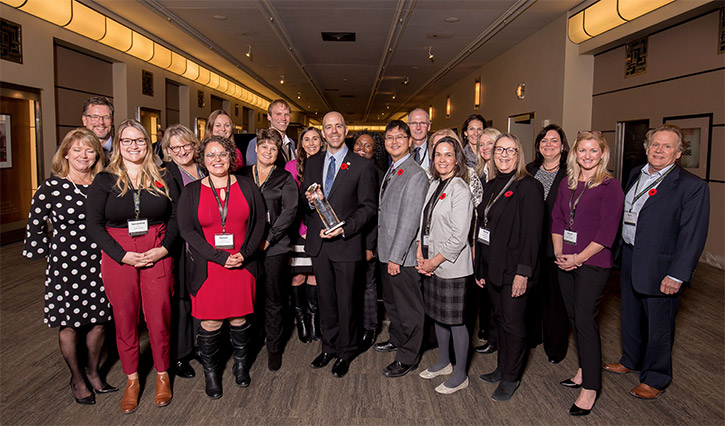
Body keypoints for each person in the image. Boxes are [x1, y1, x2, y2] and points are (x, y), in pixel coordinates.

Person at [603, 124, 710, 400]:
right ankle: (630, 359)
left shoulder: (692, 186)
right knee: (631, 314)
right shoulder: (635, 173)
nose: (659, 150)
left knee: (659, 325)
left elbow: (692, 235)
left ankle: (656, 377)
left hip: (662, 266)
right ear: (646, 148)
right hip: (630, 255)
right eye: (655, 145)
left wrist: (677, 275)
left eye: (667, 146)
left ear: (678, 153)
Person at [86, 119, 179, 413]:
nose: (133, 146)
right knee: (125, 319)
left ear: (147, 143)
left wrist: (163, 249)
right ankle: (132, 379)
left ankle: (163, 375)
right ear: (118, 145)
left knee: (159, 317)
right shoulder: (104, 180)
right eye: (126, 141)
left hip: (157, 251)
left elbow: (178, 217)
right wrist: (122, 255)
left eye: (139, 140)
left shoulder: (164, 175)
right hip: (119, 255)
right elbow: (94, 225)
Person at [23, 128, 115, 405]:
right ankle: (77, 378)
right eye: (77, 150)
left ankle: (94, 372)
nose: (83, 155)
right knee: (70, 324)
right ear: (65, 153)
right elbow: (35, 224)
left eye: (89, 150)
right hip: (66, 262)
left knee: (99, 322)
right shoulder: (51, 187)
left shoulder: (104, 183)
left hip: (100, 257)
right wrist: (46, 252)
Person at [177, 135, 265, 399]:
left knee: (240, 318)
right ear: (202, 160)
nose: (217, 160)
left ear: (231, 157)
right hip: (208, 268)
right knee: (211, 321)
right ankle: (211, 372)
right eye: (211, 155)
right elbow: (187, 230)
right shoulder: (191, 191)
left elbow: (260, 223)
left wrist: (244, 254)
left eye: (222, 154)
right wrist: (218, 257)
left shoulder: (248, 186)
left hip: (242, 264)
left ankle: (240, 365)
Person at [551, 131, 624, 416]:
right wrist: (559, 252)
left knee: (585, 320)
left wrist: (578, 258)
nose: (588, 155)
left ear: (602, 154)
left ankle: (591, 387)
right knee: (574, 318)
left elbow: (607, 232)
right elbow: (558, 218)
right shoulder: (567, 183)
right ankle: (583, 369)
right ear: (575, 154)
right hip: (564, 260)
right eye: (583, 150)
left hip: (592, 263)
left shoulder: (610, 186)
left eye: (594, 151)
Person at [303, 111, 377, 378]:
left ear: (346, 130)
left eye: (338, 127)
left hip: (346, 243)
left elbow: (369, 207)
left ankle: (346, 351)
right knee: (326, 300)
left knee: (347, 300)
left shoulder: (362, 165)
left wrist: (345, 227)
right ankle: (329, 346)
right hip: (319, 244)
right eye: (328, 127)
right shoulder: (313, 162)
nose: (333, 131)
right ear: (322, 133)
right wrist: (310, 200)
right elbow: (304, 198)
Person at [474, 133, 544, 402]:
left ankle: (511, 377)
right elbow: (483, 229)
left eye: (510, 150)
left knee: (513, 324)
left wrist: (522, 273)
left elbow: (532, 236)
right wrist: (480, 267)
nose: (504, 155)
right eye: (499, 150)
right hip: (492, 268)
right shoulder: (492, 185)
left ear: (519, 154)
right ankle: (502, 367)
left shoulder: (529, 187)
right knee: (501, 321)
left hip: (514, 270)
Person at [416, 136, 473, 394]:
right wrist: (420, 250)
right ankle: (444, 362)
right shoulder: (435, 184)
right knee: (438, 316)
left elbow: (459, 237)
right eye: (438, 154)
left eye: (448, 154)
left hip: (451, 267)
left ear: (457, 159)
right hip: (431, 262)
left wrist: (433, 262)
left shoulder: (460, 188)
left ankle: (461, 374)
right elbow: (424, 222)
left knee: (456, 321)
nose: (442, 159)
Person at [373, 120, 429, 377]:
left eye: (399, 137)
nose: (394, 141)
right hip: (387, 252)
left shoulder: (415, 174)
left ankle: (408, 357)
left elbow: (409, 220)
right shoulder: (393, 168)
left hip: (401, 258)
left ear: (409, 141)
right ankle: (397, 338)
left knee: (409, 310)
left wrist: (395, 257)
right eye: (389, 138)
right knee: (393, 305)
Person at [241, 129, 298, 371]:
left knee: (274, 298)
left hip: (275, 247)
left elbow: (289, 212)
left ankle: (274, 347)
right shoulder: (242, 175)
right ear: (255, 148)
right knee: (250, 297)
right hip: (246, 248)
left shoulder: (284, 178)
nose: (268, 151)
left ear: (278, 153)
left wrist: (268, 239)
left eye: (273, 148)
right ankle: (253, 342)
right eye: (264, 147)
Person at [160, 124, 204, 379]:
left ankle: (199, 345)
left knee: (201, 297)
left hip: (206, 244)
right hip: (180, 246)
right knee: (182, 302)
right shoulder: (167, 174)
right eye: (175, 147)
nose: (181, 151)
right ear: (168, 150)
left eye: (185, 145)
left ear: (193, 145)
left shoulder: (203, 167)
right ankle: (180, 355)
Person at [524, 124, 571, 363]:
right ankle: (533, 336)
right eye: (544, 140)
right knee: (531, 295)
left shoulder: (570, 173)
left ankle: (555, 348)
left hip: (555, 245)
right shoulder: (530, 169)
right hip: (530, 243)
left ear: (562, 146)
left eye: (554, 141)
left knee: (555, 299)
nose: (548, 145)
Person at [285, 127, 325, 343]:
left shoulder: (328, 163)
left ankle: (313, 321)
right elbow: (291, 202)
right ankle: (300, 321)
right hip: (298, 229)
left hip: (320, 229)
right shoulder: (291, 166)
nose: (311, 143)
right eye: (306, 139)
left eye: (315, 139)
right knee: (298, 276)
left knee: (315, 276)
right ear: (301, 143)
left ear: (322, 141)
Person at [352, 129, 386, 350]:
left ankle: (370, 327)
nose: (362, 149)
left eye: (368, 146)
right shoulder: (347, 169)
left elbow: (376, 214)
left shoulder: (376, 173)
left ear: (375, 152)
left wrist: (369, 246)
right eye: (358, 145)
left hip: (365, 241)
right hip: (347, 239)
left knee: (367, 285)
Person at [473, 127, 501, 351]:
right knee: (484, 287)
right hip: (480, 237)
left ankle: (496, 338)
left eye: (489, 144)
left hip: (498, 240)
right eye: (481, 144)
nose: (485, 148)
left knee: (497, 293)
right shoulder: (478, 172)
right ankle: (490, 335)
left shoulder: (504, 175)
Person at [429, 129, 483, 207]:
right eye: (436, 145)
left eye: (448, 154)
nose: (442, 158)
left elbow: (476, 204)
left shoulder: (468, 174)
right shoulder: (428, 174)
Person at [245, 99, 296, 165]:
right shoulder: (256, 142)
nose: (283, 118)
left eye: (286, 114)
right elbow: (252, 172)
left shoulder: (291, 143)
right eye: (278, 114)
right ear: (269, 116)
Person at [81, 96, 114, 164]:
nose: (101, 122)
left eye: (106, 117)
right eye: (95, 117)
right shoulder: (68, 150)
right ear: (84, 120)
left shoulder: (126, 149)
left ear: (112, 120)